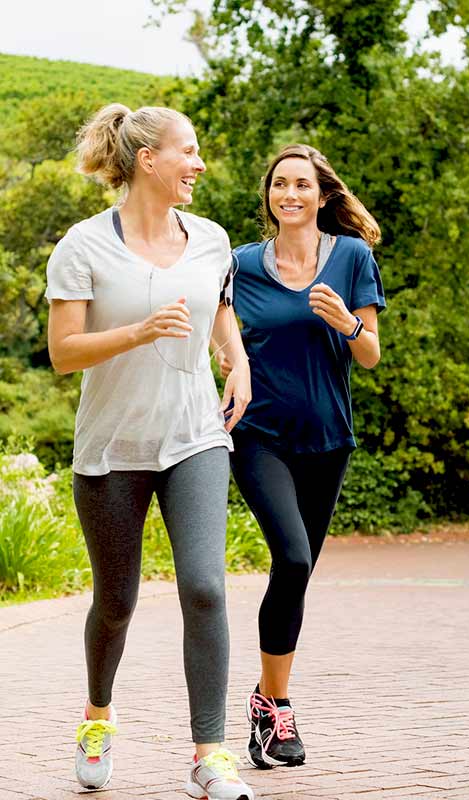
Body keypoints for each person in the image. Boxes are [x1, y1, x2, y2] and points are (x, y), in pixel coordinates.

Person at [46, 103, 254, 800]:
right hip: (111, 450)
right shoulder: (83, 246)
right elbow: (63, 352)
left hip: (195, 436)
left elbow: (222, 313)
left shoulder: (211, 239)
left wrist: (238, 363)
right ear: (148, 161)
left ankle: (211, 753)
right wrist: (136, 332)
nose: (198, 164)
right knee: (116, 602)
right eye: (188, 152)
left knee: (204, 585)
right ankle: (98, 715)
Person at [221, 144, 385, 771]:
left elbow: (370, 354)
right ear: (269, 196)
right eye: (280, 184)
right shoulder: (239, 264)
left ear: (322, 195)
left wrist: (346, 321)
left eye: (302, 184)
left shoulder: (351, 258)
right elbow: (221, 324)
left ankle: (264, 701)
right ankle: (279, 707)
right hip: (256, 433)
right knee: (290, 555)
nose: (290, 194)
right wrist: (230, 359)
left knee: (297, 572)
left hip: (328, 439)